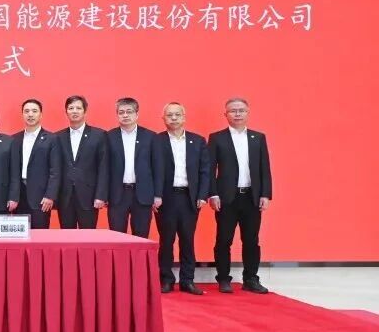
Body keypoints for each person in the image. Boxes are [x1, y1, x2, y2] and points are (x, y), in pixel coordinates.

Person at [208, 98, 273, 294]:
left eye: (241, 110)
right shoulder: (217, 138)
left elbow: (264, 168)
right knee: (224, 240)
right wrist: (212, 194)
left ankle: (251, 279)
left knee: (251, 240)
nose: (237, 114)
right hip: (226, 198)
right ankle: (223, 278)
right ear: (225, 114)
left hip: (251, 197)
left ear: (247, 113)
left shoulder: (258, 138)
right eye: (233, 111)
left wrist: (265, 194)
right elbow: (210, 169)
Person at [154, 102, 210, 295]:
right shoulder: (156, 141)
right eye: (169, 115)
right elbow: (151, 170)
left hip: (189, 197)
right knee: (166, 240)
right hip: (166, 197)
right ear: (163, 119)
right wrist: (155, 195)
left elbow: (205, 171)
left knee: (188, 239)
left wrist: (202, 195)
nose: (174, 118)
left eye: (177, 114)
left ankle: (188, 280)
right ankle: (166, 279)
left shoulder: (198, 141)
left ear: (184, 117)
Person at [106, 97, 163, 237]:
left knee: (141, 237)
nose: (125, 115)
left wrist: (157, 195)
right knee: (116, 238)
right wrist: (103, 194)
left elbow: (158, 168)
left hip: (143, 194)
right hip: (117, 194)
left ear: (137, 114)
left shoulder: (151, 137)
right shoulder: (108, 136)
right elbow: (104, 168)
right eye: (121, 112)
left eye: (129, 111)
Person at [56, 95, 108, 229]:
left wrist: (100, 195)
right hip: (65, 197)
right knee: (67, 237)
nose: (74, 111)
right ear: (66, 112)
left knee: (88, 237)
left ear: (85, 111)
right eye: (71, 108)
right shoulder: (57, 137)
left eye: (78, 108)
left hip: (89, 196)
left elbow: (104, 167)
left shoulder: (99, 135)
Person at [14, 99, 60, 229]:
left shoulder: (51, 139)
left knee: (40, 236)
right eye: (27, 111)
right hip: (19, 196)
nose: (30, 114)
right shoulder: (14, 139)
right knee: (19, 235)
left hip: (41, 197)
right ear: (22, 114)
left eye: (34, 111)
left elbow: (55, 170)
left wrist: (50, 196)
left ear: (41, 114)